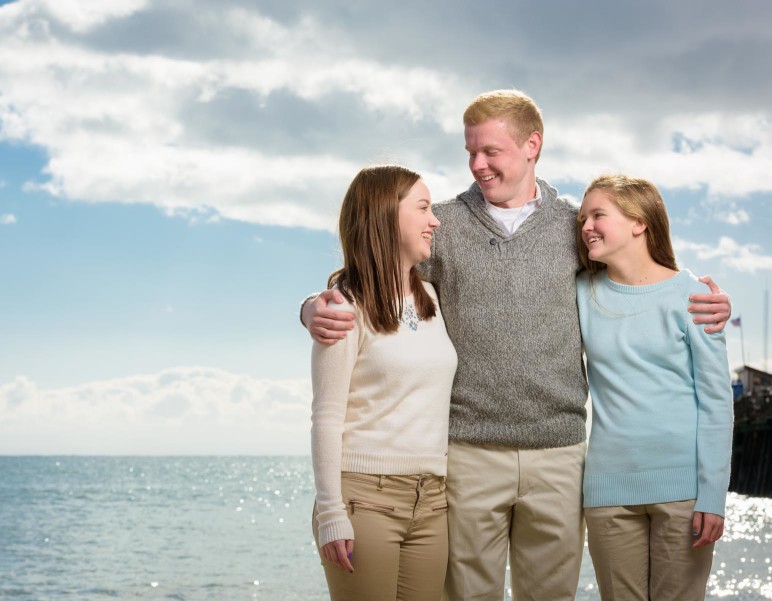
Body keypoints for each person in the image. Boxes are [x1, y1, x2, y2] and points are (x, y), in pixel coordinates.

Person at [302, 90, 732, 600]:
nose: (477, 165)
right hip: (468, 452)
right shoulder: (441, 225)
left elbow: (637, 275)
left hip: (559, 452)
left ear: (533, 145)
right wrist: (312, 306)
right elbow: (374, 264)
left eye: (491, 152)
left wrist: (701, 299)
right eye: (470, 152)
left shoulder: (574, 228)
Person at [576, 174, 733, 600]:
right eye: (582, 217)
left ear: (639, 222)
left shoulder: (693, 296)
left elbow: (717, 403)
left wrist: (713, 496)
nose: (586, 225)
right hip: (607, 492)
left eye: (598, 215)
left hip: (684, 494)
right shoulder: (580, 294)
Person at [310, 165, 458, 601]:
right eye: (424, 208)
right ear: (384, 216)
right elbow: (326, 415)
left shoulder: (430, 297)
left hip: (432, 500)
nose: (435, 220)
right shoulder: (343, 307)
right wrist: (330, 512)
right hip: (365, 501)